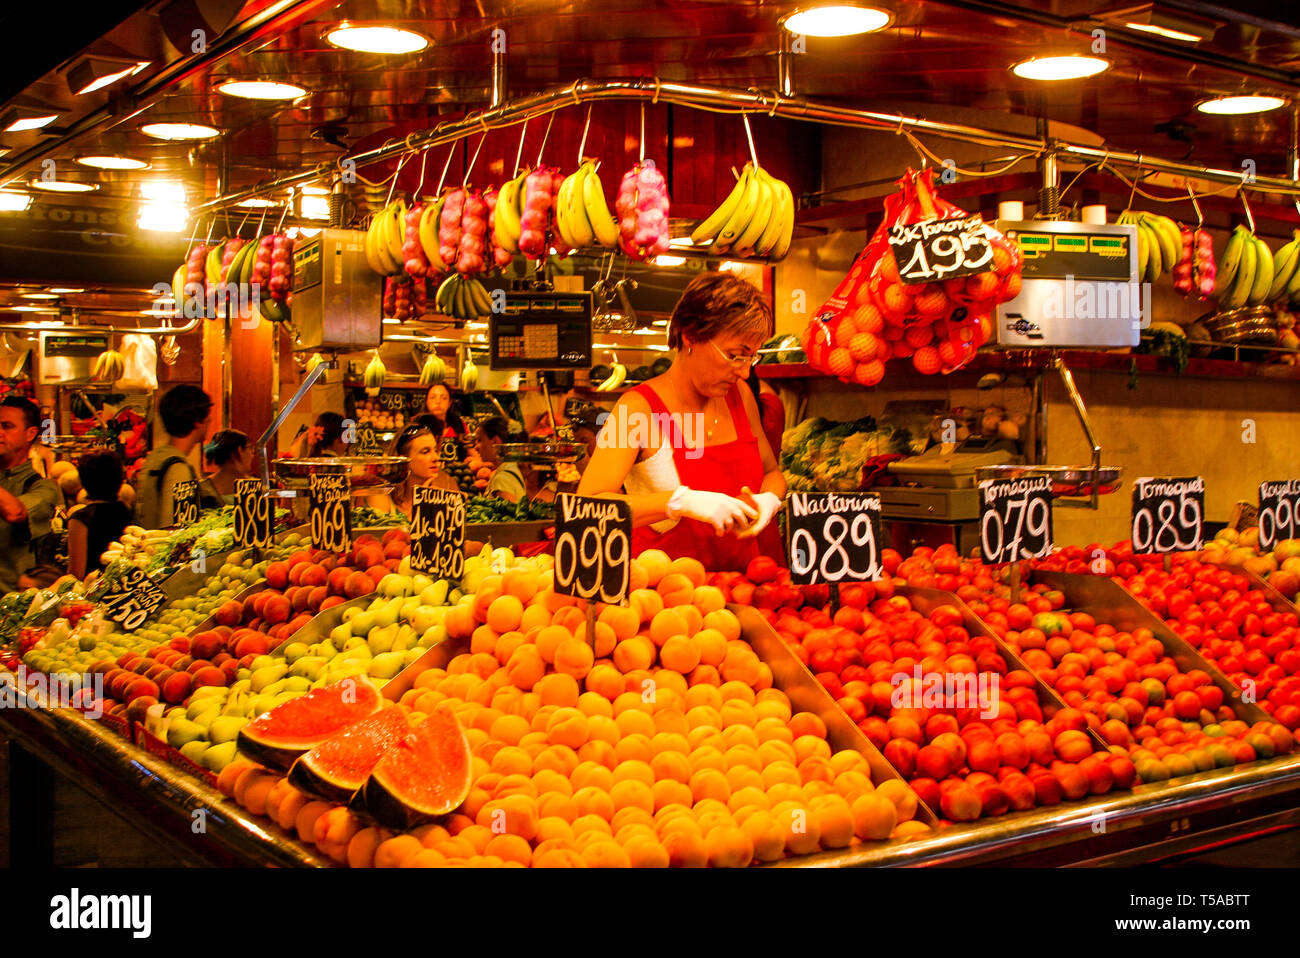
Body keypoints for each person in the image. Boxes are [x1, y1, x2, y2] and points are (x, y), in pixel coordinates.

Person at [577, 271, 786, 572]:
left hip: (750, 592)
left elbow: (772, 471)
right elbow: (587, 509)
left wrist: (769, 499)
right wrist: (677, 502)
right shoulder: (635, 411)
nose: (743, 373)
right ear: (690, 335)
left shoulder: (739, 396)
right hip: (670, 602)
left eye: (751, 357)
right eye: (734, 355)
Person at [0, 396, 61, 593]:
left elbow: (15, 512)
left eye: (7, 426)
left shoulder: (43, 488)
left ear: (30, 434)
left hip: (12, 607)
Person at [136, 384, 212, 530]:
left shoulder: (155, 458)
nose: (210, 422)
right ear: (197, 421)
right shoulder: (179, 469)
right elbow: (176, 530)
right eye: (208, 418)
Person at [369, 418, 461, 517]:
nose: (436, 457)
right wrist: (421, 505)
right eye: (425, 451)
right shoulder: (380, 495)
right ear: (403, 460)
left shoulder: (446, 486)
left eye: (435, 450)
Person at [66, 450, 130, 579]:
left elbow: (76, 573)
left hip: (94, 590)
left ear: (83, 481)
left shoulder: (80, 520)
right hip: (124, 584)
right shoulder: (124, 509)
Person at [475, 416, 525, 504]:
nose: (476, 447)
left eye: (480, 440)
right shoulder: (509, 469)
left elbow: (509, 516)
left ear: (495, 441)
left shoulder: (502, 479)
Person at [199, 429, 252, 507]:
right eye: (249, 448)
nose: (252, 454)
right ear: (240, 450)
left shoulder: (202, 488)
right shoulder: (255, 487)